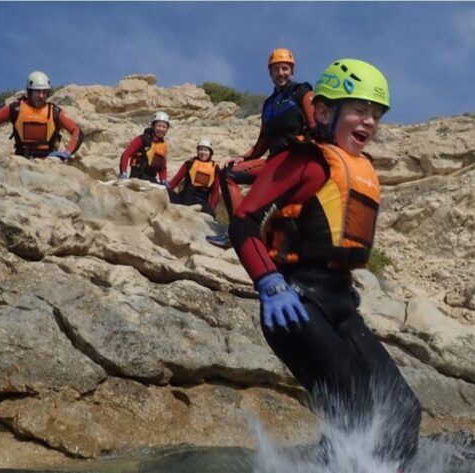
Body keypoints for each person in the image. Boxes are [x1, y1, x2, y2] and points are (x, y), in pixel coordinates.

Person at [229, 59, 421, 472]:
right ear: (322, 112)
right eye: (358, 110)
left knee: (404, 412)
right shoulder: (303, 159)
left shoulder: (361, 168)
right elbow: (243, 222)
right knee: (353, 408)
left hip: (340, 305)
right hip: (295, 303)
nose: (369, 121)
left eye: (376, 114)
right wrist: (269, 283)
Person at [206, 48, 316, 248]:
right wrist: (242, 157)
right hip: (274, 164)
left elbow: (317, 127)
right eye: (276, 69)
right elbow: (262, 142)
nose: (280, 73)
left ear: (291, 70)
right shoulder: (268, 105)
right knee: (228, 172)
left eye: (285, 68)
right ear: (270, 73)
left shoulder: (303, 93)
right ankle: (237, 233)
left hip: (295, 162)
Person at [0, 71, 83, 161]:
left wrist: (67, 153)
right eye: (37, 92)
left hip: (47, 161)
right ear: (29, 92)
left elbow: (77, 131)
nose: (41, 96)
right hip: (21, 159)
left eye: (44, 92)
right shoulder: (15, 109)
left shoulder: (55, 112)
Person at [166, 138, 221, 216]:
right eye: (201, 150)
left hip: (202, 200)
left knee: (211, 214)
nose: (203, 152)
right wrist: (166, 188)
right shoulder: (189, 164)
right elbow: (175, 181)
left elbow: (215, 191)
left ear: (210, 153)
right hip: (186, 196)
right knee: (169, 191)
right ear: (197, 151)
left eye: (206, 150)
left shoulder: (215, 168)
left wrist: (212, 208)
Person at [119, 111, 171, 185]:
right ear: (153, 126)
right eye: (159, 126)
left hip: (151, 179)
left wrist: (164, 180)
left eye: (164, 127)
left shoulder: (163, 146)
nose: (161, 129)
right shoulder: (142, 139)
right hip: (137, 177)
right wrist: (123, 172)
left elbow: (162, 168)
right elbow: (126, 154)